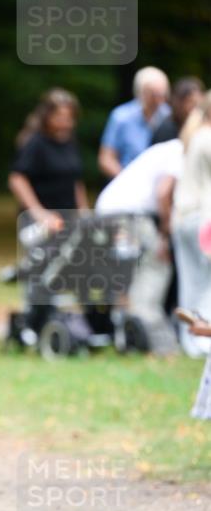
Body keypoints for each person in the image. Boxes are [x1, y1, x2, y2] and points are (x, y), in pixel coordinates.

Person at [8, 88, 88, 332]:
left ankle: (67, 322)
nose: (65, 122)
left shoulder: (69, 143)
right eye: (60, 116)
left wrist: (84, 211)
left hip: (68, 219)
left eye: (69, 117)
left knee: (71, 266)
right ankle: (34, 324)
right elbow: (17, 178)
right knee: (42, 269)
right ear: (47, 117)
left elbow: (75, 180)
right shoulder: (36, 143)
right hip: (41, 223)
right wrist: (39, 213)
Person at [95, 139, 184, 354]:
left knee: (125, 277)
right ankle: (152, 335)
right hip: (130, 215)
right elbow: (163, 192)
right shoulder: (180, 151)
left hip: (108, 211)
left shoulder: (163, 149)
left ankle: (126, 336)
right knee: (156, 267)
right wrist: (165, 233)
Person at [171, 92, 211, 357]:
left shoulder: (194, 136)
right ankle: (205, 339)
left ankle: (191, 343)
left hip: (183, 217)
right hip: (204, 218)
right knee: (207, 283)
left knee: (190, 282)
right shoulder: (207, 138)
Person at [98, 66, 170, 178]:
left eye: (162, 95)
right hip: (127, 181)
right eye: (154, 95)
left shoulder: (169, 116)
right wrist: (127, 179)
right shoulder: (121, 117)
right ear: (140, 92)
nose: (158, 100)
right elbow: (105, 159)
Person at [151, 76, 204, 145]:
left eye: (197, 103)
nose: (195, 108)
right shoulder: (166, 130)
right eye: (191, 102)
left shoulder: (201, 125)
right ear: (179, 103)